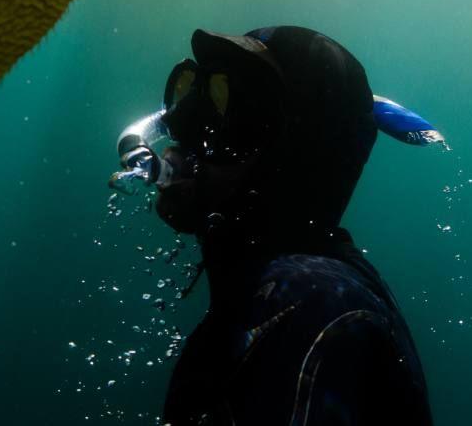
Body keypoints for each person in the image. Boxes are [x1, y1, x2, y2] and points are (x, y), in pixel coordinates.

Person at [125, 26, 434, 425]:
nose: (182, 126)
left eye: (225, 108)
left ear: (293, 156)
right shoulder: (291, 291)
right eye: (191, 90)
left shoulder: (309, 305)